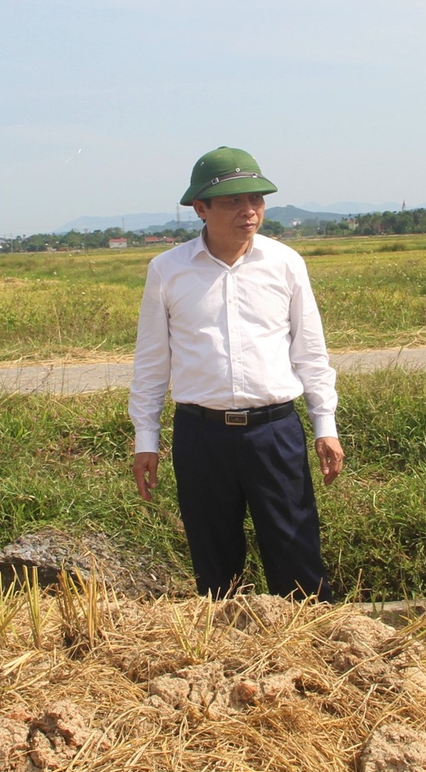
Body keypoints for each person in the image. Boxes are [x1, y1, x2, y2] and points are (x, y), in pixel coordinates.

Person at [129, 147, 343, 598]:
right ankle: (225, 660)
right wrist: (145, 440)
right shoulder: (168, 271)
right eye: (233, 202)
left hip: (275, 433)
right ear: (200, 209)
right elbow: (151, 364)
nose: (249, 211)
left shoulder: (285, 264)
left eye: (256, 200)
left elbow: (310, 352)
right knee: (215, 565)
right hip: (200, 436)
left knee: (296, 553)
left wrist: (325, 425)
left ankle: (310, 655)